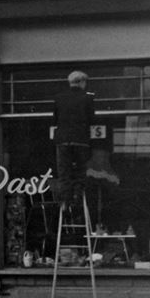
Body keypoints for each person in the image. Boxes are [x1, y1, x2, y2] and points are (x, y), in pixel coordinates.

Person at [53, 70, 95, 208]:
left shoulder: (59, 97)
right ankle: (78, 196)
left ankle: (65, 200)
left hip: (63, 139)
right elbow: (91, 119)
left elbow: (55, 119)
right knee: (80, 170)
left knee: (64, 171)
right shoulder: (88, 97)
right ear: (82, 82)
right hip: (80, 139)